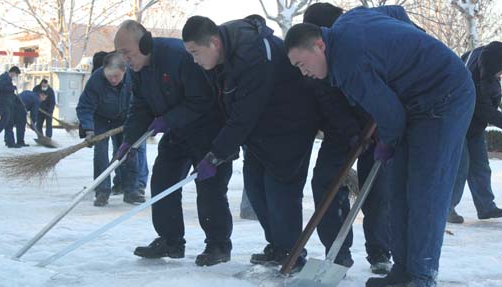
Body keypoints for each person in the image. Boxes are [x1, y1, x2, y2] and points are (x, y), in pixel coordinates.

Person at [284, 6, 475, 287]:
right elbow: (396, 12)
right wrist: (413, 47)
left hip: (444, 97)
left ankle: (422, 278)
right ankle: (402, 270)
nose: (304, 72)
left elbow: (391, 118)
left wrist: (387, 142)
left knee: (425, 189)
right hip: (413, 98)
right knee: (397, 188)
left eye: (301, 63)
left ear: (319, 45)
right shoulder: (348, 20)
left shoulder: (348, 65)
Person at [182, 16, 321, 270]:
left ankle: (292, 252)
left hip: (290, 124)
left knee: (280, 191)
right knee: (256, 189)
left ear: (213, 42)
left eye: (195, 52)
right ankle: (278, 245)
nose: (194, 60)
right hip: (261, 130)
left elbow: (246, 111)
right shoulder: (225, 54)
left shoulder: (252, 54)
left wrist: (216, 154)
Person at [114, 20, 233, 266]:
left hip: (207, 131)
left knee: (209, 189)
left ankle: (218, 245)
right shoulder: (137, 71)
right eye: (121, 54)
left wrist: (167, 119)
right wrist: (130, 139)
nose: (125, 59)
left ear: (144, 44)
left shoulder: (178, 56)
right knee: (162, 181)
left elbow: (203, 99)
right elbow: (140, 106)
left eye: (127, 52)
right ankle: (170, 241)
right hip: (176, 133)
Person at [303, 2, 392, 273]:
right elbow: (327, 99)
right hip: (341, 130)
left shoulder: (363, 42)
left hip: (380, 126)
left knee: (378, 190)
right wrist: (352, 132)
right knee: (325, 182)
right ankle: (337, 252)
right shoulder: (315, 56)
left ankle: (380, 251)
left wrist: (381, 126)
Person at [448, 41, 502, 224]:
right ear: (495, 62)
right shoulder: (472, 74)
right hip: (457, 124)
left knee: (481, 166)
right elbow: (483, 108)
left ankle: (486, 207)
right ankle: (447, 208)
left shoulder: (487, 70)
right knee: (460, 166)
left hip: (474, 127)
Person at [76, 52, 145, 207]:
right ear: (104, 69)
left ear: (125, 70)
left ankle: (131, 191)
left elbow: (142, 101)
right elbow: (85, 106)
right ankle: (102, 192)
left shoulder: (134, 77)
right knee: (100, 153)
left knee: (130, 152)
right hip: (101, 120)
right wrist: (88, 129)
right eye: (110, 76)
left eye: (117, 76)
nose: (113, 80)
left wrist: (138, 122)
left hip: (126, 119)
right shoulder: (96, 80)